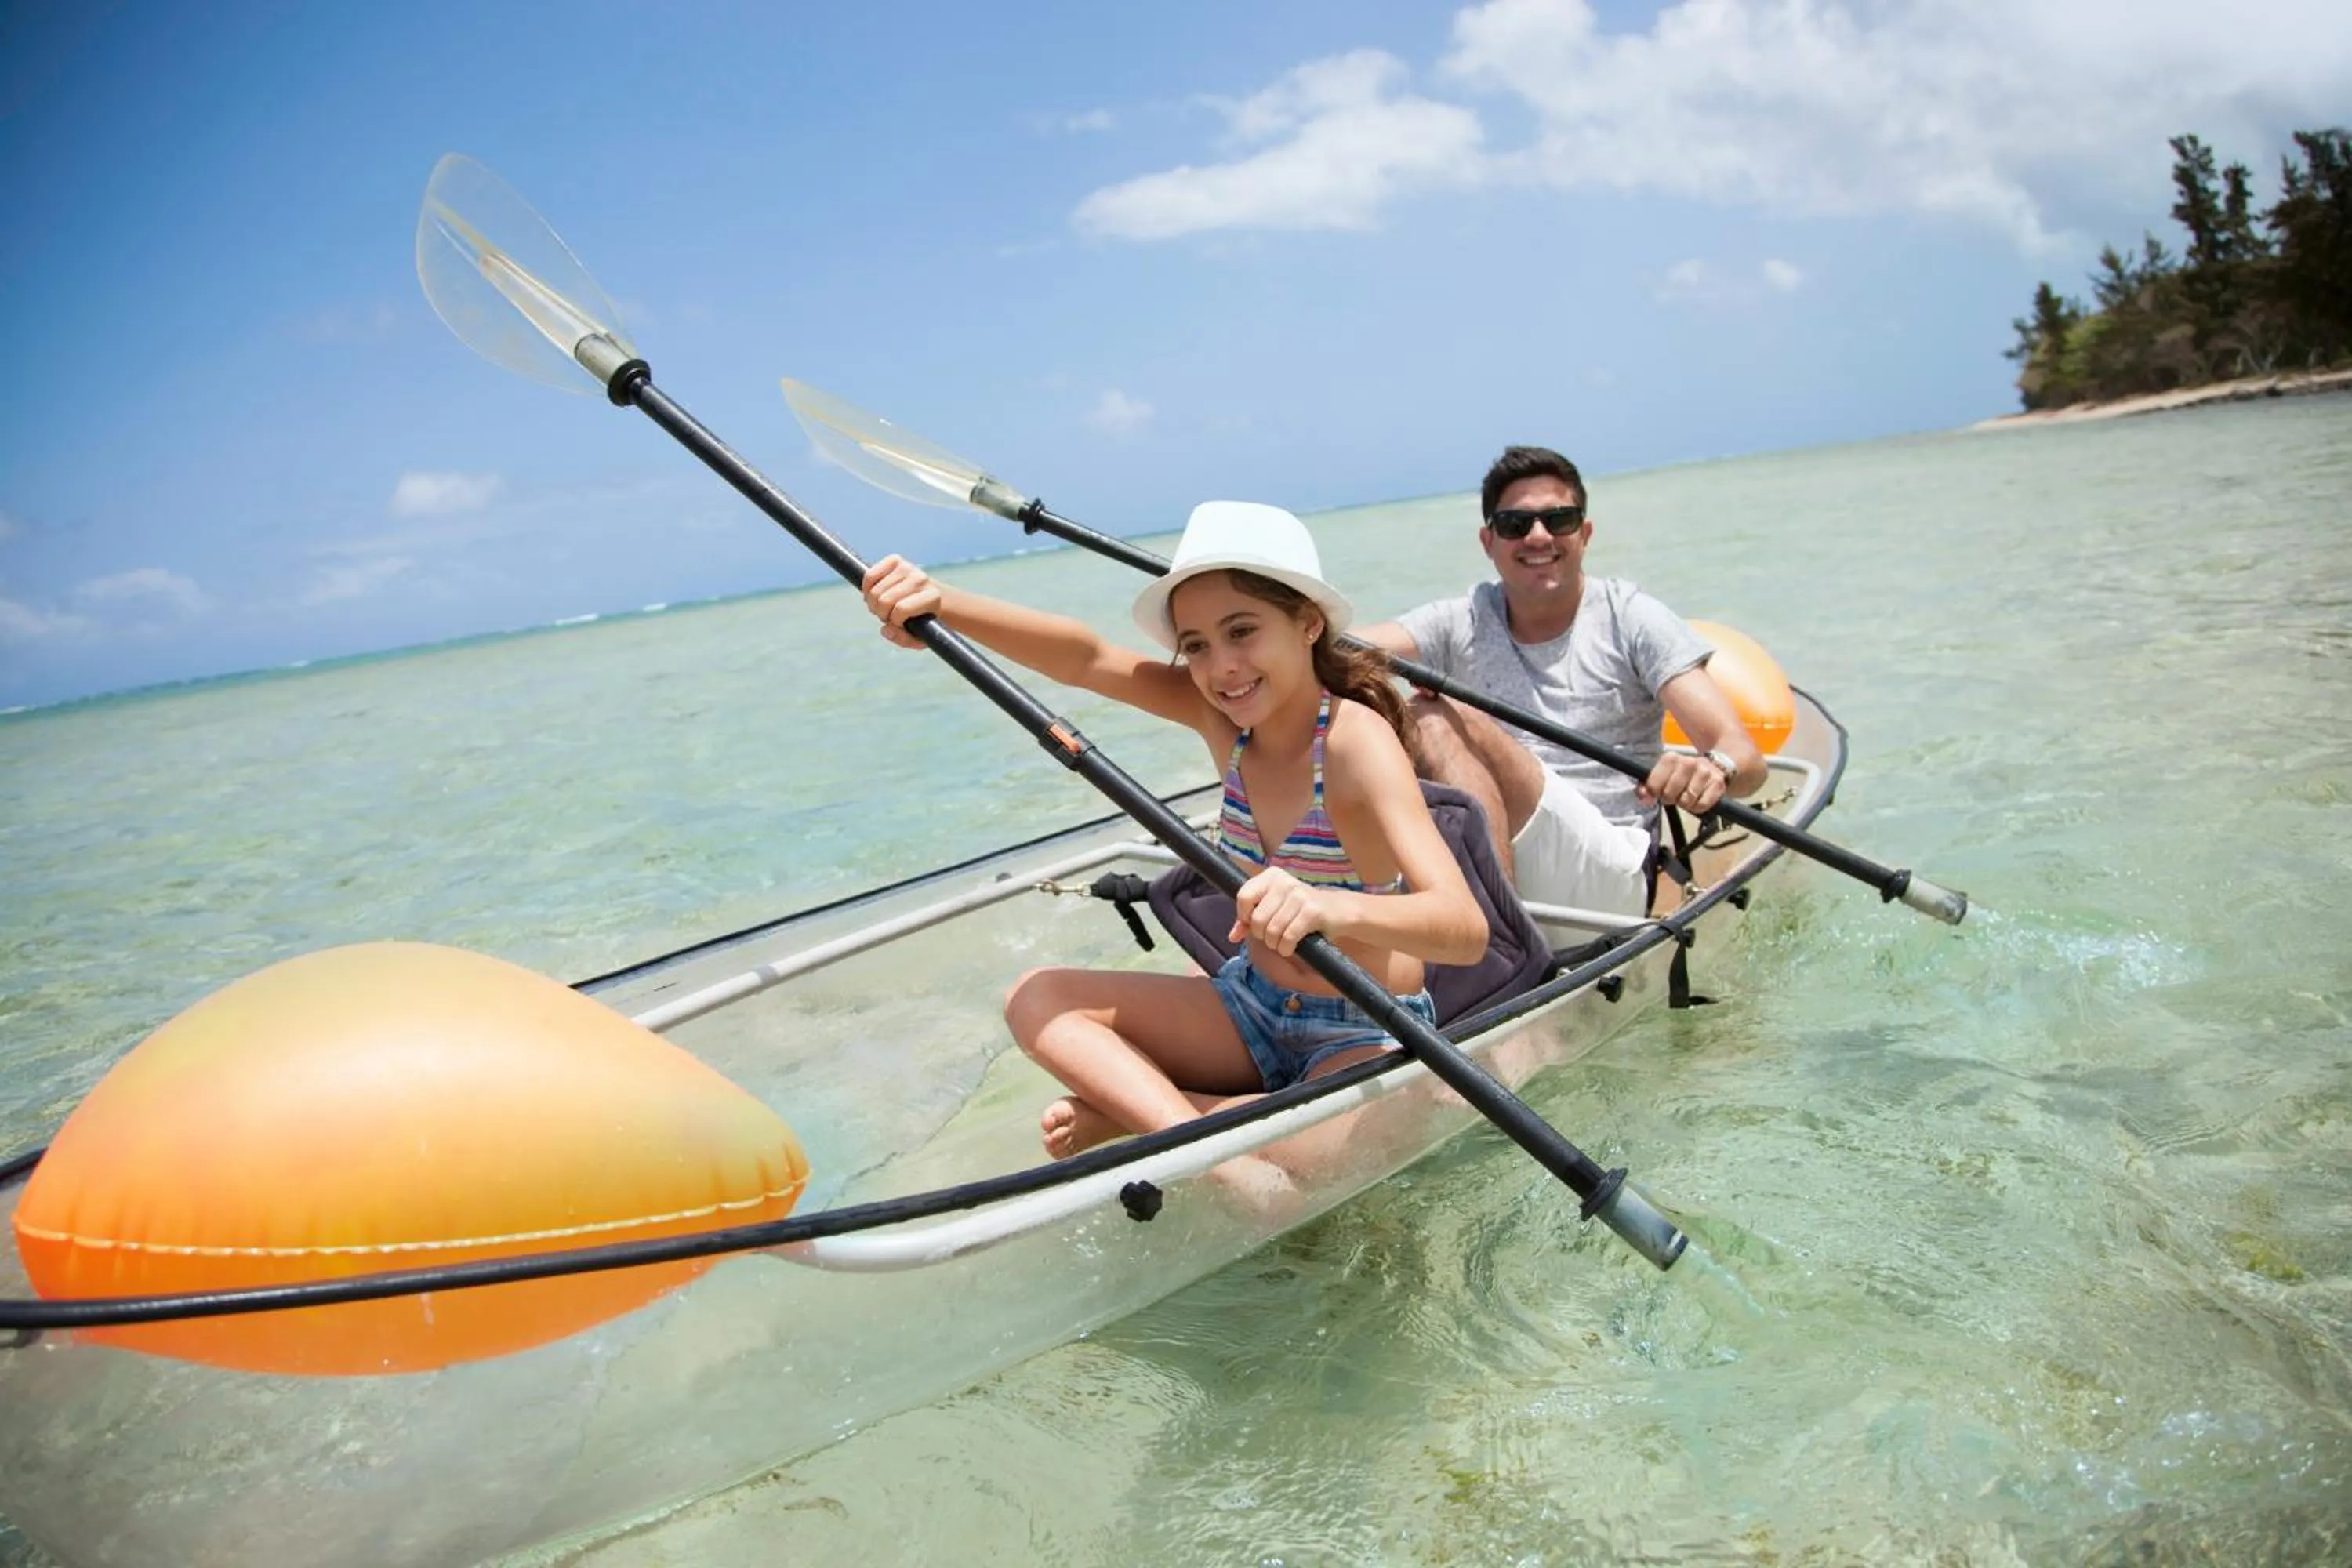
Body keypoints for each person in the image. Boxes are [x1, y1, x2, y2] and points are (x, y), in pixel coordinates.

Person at [861, 501, 1489, 1203]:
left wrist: (1327, 907)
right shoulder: (1221, 718)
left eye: (1242, 632)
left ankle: (1155, 1116)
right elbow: (1086, 658)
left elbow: (1461, 929)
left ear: (1308, 623)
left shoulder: (1353, 740)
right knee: (1036, 999)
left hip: (1363, 1026)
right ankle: (1225, 1162)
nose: (1221, 668)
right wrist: (943, 606)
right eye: (1195, 646)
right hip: (1251, 1005)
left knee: (1325, 1160)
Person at [1356, 445, 1766, 919]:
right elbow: (1354, 646)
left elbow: (1746, 760)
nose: (1537, 537)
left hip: (1608, 872)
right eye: (1515, 525)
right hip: (1500, 855)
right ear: (1489, 543)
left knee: (1431, 716)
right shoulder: (1462, 618)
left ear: (1584, 534)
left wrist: (1713, 769)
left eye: (1559, 520)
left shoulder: (1630, 617)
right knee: (1387, 714)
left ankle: (1493, 939)